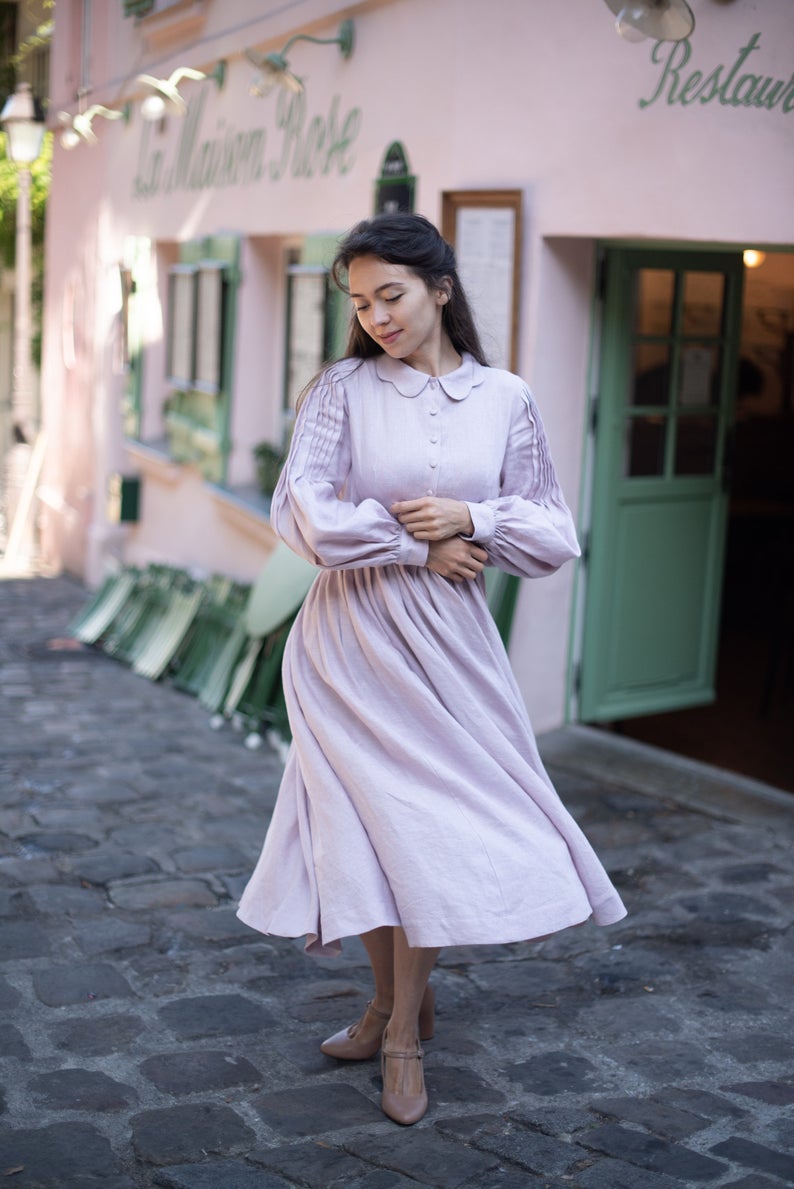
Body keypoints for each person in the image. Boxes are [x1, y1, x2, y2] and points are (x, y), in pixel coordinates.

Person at [237, 212, 626, 1126]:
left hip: (450, 650)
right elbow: (307, 519)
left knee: (433, 831)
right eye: (361, 301)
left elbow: (552, 531)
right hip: (348, 645)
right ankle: (393, 1009)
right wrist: (417, 548)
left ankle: (399, 1023)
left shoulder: (507, 397)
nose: (376, 315)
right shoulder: (339, 389)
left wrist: (470, 518)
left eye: (392, 295)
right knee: (366, 828)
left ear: (440, 290)